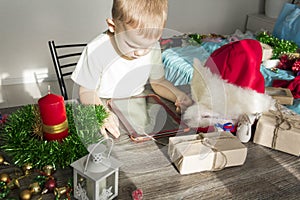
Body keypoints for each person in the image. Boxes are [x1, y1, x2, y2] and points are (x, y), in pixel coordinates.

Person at [71, 0, 192, 138]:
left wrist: (178, 95)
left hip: (137, 110)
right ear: (113, 26)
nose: (141, 53)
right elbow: (87, 91)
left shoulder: (153, 48)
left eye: (148, 45)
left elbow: (158, 82)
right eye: (132, 45)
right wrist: (101, 114)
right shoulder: (97, 50)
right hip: (102, 108)